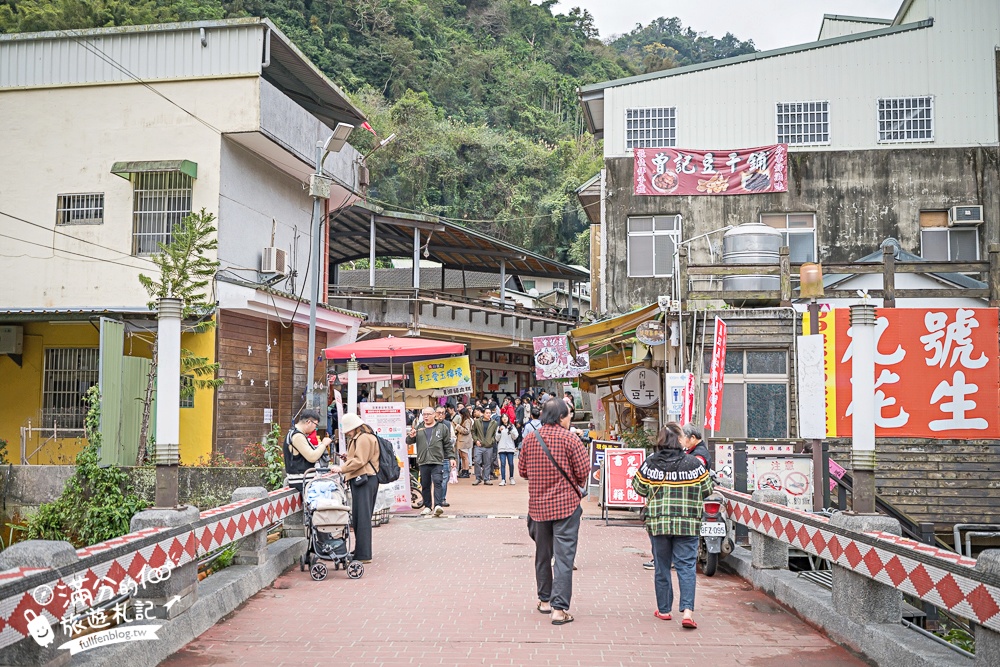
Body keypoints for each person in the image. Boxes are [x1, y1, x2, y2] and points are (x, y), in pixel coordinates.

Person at [632, 427, 714, 629]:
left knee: (662, 566)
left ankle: (664, 610)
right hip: (687, 524)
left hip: (659, 523)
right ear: (679, 440)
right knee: (686, 567)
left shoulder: (651, 462)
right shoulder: (693, 463)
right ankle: (687, 612)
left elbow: (638, 487)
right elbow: (708, 489)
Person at [518, 399, 589, 626]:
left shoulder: (530, 439)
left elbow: (522, 471)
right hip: (566, 507)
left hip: (538, 508)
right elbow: (584, 471)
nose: (570, 419)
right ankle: (559, 610)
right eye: (569, 415)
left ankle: (544, 600)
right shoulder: (571, 439)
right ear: (561, 417)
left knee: (542, 554)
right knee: (564, 558)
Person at [329, 413, 380, 563]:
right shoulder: (362, 436)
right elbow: (360, 458)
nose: (347, 433)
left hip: (365, 479)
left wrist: (342, 468)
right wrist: (348, 458)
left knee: (362, 518)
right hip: (363, 479)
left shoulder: (363, 438)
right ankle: (360, 551)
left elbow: (360, 460)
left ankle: (363, 554)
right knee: (360, 516)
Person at [406, 407, 457, 516]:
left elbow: (447, 445)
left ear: (434, 415)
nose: (426, 416)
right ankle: (427, 506)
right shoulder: (419, 428)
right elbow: (409, 441)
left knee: (438, 482)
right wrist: (411, 436)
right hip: (423, 460)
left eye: (428, 414)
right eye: (424, 414)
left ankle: (438, 505)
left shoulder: (442, 428)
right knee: (425, 484)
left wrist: (452, 458)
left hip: (437, 460)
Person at [282, 411, 330, 493]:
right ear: (308, 422)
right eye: (316, 425)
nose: (315, 428)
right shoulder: (297, 436)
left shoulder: (294, 433)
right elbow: (312, 457)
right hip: (302, 482)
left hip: (303, 481)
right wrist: (323, 444)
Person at [471, 407, 498, 486]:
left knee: (487, 463)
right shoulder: (477, 422)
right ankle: (478, 478)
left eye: (489, 413)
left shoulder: (494, 423)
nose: (488, 414)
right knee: (477, 461)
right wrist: (476, 440)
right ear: (483, 413)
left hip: (489, 446)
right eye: (487, 413)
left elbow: (494, 434)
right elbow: (473, 432)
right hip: (479, 446)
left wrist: (492, 440)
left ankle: (486, 478)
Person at [435, 406, 455, 507]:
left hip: (445, 456)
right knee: (430, 479)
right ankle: (429, 499)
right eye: (439, 413)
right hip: (432, 457)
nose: (441, 415)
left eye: (443, 413)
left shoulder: (448, 424)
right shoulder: (429, 424)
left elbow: (453, 439)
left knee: (444, 478)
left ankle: (442, 499)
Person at [495, 413, 519, 486]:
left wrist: (510, 429)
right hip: (502, 448)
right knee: (502, 463)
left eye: (506, 417)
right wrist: (499, 431)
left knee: (511, 463)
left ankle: (511, 477)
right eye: (503, 417)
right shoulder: (499, 427)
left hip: (510, 448)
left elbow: (515, 436)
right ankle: (503, 479)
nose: (505, 418)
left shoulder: (512, 426)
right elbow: (497, 438)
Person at [454, 407, 474, 478]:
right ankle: (464, 470)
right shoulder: (464, 420)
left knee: (465, 456)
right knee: (462, 456)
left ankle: (466, 470)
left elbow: (466, 430)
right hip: (461, 440)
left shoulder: (467, 421)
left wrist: (458, 427)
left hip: (464, 441)